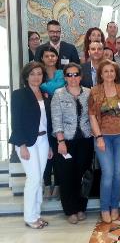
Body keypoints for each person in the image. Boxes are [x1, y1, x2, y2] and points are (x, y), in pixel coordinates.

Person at [88, 60, 120, 223]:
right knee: (107, 173)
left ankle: (115, 206)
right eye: (106, 71)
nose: (109, 74)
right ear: (100, 74)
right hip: (103, 137)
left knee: (117, 173)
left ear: (116, 73)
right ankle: (104, 207)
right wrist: (99, 137)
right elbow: (92, 116)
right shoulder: (94, 91)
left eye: (112, 71)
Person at [9, 62, 53, 229]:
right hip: (26, 142)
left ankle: (36, 214)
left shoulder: (45, 94)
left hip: (43, 141)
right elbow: (16, 121)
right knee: (33, 179)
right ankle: (30, 217)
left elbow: (46, 122)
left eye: (39, 74)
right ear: (26, 76)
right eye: (33, 74)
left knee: (39, 179)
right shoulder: (19, 94)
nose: (36, 77)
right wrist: (21, 145)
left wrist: (49, 145)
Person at [51, 63, 94, 224]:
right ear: (65, 77)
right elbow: (56, 119)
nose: (73, 78)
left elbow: (93, 116)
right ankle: (70, 210)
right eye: (69, 75)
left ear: (81, 76)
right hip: (66, 141)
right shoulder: (59, 94)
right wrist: (60, 141)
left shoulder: (89, 93)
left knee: (83, 175)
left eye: (76, 74)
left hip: (85, 140)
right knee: (67, 176)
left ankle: (81, 207)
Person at [39, 47, 65, 199]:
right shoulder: (38, 74)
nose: (50, 58)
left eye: (52, 55)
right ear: (42, 58)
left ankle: (59, 184)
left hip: (60, 117)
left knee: (57, 152)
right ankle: (47, 183)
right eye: (46, 56)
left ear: (57, 58)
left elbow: (56, 87)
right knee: (45, 153)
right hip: (42, 119)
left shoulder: (61, 73)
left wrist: (44, 88)